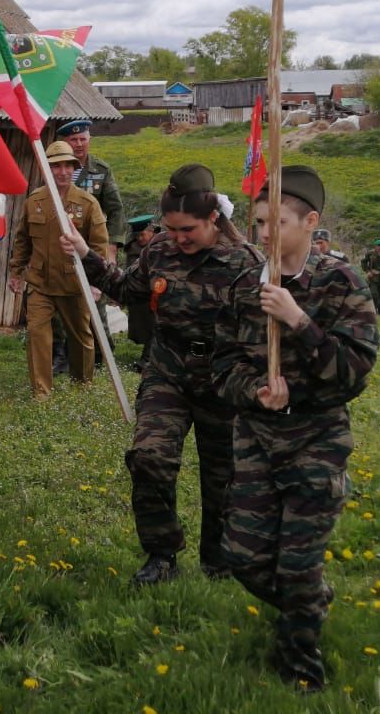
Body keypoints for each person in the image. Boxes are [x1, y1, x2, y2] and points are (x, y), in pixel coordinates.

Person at [212, 165, 380, 692]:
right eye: (259, 222)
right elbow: (221, 368)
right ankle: (306, 605)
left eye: (276, 222)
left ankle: (301, 674)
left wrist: (299, 321)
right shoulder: (244, 285)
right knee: (242, 557)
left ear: (310, 222)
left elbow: (353, 372)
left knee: (299, 565)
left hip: (316, 439)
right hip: (257, 439)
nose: (264, 234)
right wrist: (254, 391)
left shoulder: (340, 283)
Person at [62, 165, 261, 584]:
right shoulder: (158, 252)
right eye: (171, 230)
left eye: (187, 229)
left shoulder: (246, 264)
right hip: (167, 372)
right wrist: (85, 253)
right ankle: (161, 555)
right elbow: (127, 290)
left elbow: (260, 335)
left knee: (223, 473)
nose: (178, 239)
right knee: (150, 458)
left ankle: (218, 559)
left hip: (224, 380)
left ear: (213, 219)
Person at [8, 141, 109, 400]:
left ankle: (82, 385)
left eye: (67, 166)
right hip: (40, 282)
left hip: (75, 283)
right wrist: (17, 272)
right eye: (56, 166)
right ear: (46, 169)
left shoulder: (88, 204)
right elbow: (23, 240)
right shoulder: (34, 201)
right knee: (37, 334)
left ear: (74, 169)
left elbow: (99, 245)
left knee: (81, 338)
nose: (62, 172)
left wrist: (98, 282)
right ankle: (41, 392)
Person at [52, 119, 125, 372]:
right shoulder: (56, 170)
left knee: (97, 300)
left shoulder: (101, 170)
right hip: (65, 245)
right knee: (61, 300)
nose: (79, 144)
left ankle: (104, 354)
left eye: (83, 139)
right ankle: (62, 356)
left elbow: (116, 210)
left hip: (93, 245)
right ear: (65, 142)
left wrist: (112, 248)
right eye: (74, 140)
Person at [123, 214, 158, 371]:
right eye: (136, 235)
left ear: (152, 231)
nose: (139, 238)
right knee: (145, 325)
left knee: (156, 325)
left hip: (159, 292)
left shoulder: (163, 244)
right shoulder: (134, 248)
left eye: (142, 235)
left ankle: (146, 360)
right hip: (140, 294)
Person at [361, 238, 380, 316]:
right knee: (374, 294)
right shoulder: (370, 254)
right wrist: (368, 271)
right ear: (376, 246)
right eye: (379, 246)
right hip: (373, 278)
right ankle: (374, 310)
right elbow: (363, 262)